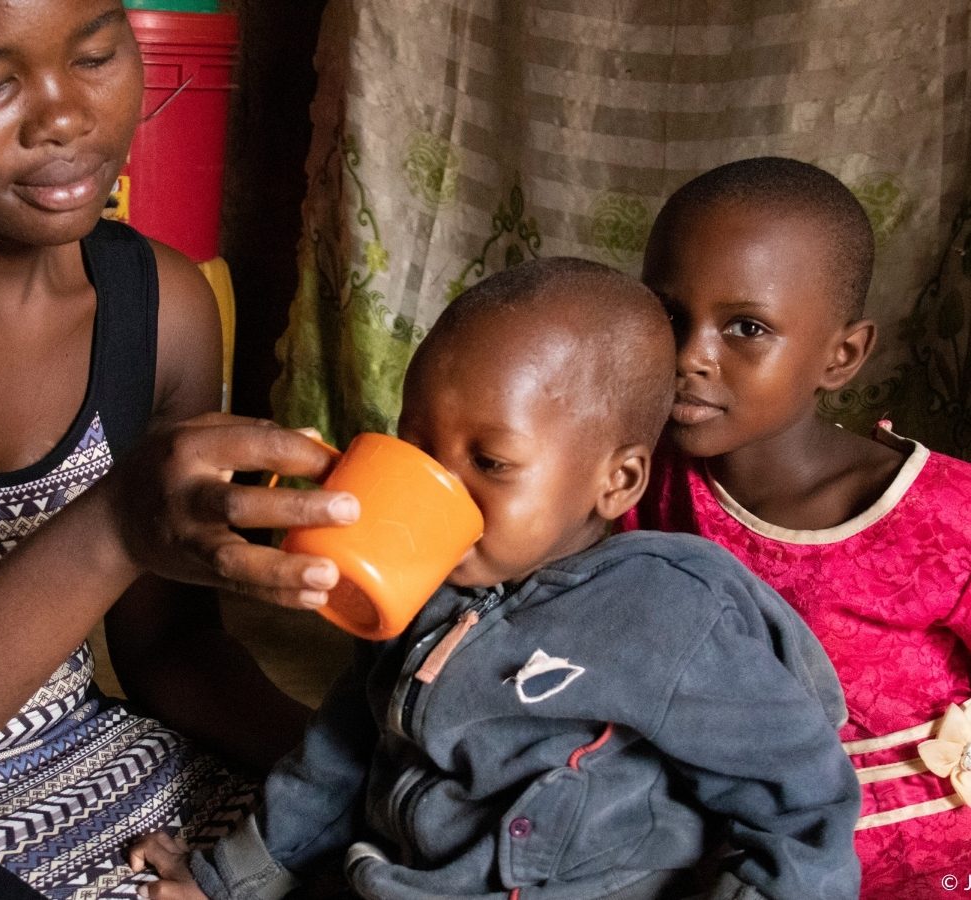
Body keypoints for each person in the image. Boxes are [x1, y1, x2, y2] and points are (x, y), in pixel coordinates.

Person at [130, 257, 862, 899]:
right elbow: (343, 751)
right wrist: (231, 876)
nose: (440, 483)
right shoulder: (422, 589)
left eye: (492, 463)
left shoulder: (669, 613)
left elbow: (800, 798)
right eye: (419, 444)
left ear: (619, 480)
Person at [0, 1, 364, 897]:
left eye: (99, 56)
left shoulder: (161, 310)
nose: (65, 117)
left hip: (96, 763)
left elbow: (173, 655)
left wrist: (367, 778)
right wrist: (111, 528)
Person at [621, 156, 971, 898]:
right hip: (714, 843)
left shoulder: (940, 516)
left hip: (913, 864)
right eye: (669, 315)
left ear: (840, 355)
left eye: (746, 327)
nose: (690, 357)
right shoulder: (632, 477)